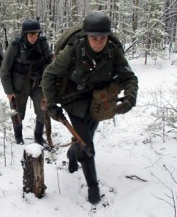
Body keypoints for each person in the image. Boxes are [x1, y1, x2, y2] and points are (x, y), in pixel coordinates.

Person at [41, 11, 138, 204]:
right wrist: (52, 104)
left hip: (99, 101)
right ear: (86, 36)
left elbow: (129, 78)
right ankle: (93, 187)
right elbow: (49, 76)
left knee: (86, 137)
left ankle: (71, 154)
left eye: (103, 37)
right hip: (73, 99)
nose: (98, 42)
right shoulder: (73, 51)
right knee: (86, 144)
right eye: (93, 37)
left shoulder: (113, 51)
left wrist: (130, 98)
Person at [0, 19, 53, 144]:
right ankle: (18, 136)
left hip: (38, 82)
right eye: (31, 34)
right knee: (17, 111)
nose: (34, 37)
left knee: (43, 109)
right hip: (19, 83)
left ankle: (38, 136)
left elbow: (49, 61)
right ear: (25, 34)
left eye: (36, 34)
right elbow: (4, 70)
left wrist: (44, 69)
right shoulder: (15, 46)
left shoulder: (42, 43)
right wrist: (9, 91)